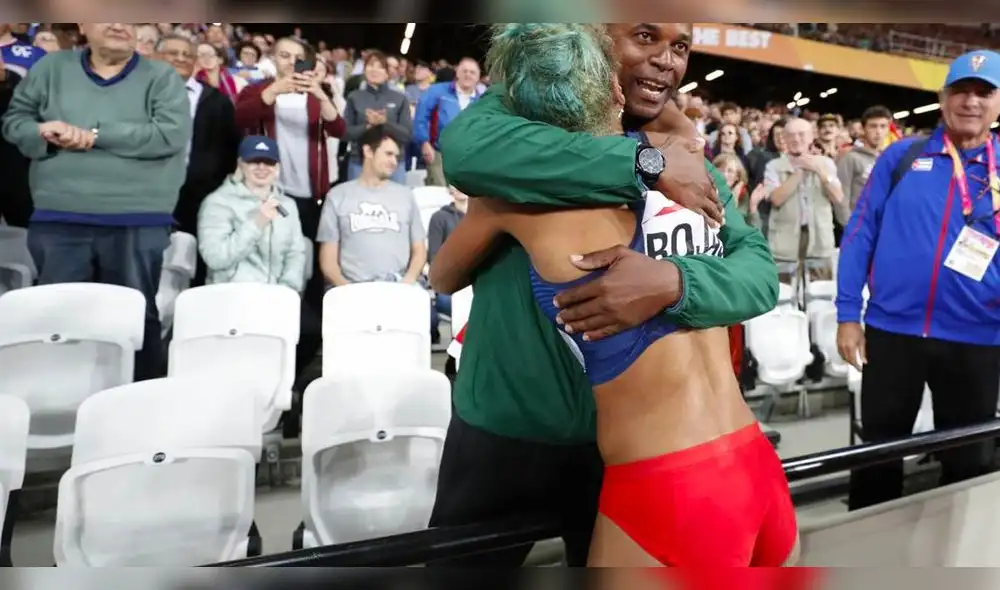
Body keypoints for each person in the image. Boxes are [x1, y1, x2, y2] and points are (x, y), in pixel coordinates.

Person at [431, 23, 792, 567]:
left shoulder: (691, 163)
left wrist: (675, 282)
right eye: (645, 37)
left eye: (679, 47)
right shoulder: (523, 116)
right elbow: (464, 151)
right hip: (508, 429)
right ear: (598, 36)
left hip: (625, 452)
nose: (666, 60)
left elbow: (759, 275)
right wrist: (644, 163)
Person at [837, 49, 1000, 511]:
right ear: (942, 97)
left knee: (969, 465)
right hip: (893, 334)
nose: (971, 101)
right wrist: (849, 314)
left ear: (998, 102)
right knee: (877, 459)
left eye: (984, 92)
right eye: (961, 90)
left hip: (976, 340)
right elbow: (860, 233)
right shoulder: (901, 157)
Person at [1, 22, 190, 380]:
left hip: (137, 219)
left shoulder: (161, 76)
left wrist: (95, 135)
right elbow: (15, 121)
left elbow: (170, 134)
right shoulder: (51, 68)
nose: (119, 24)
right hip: (59, 217)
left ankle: (137, 415)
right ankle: (56, 418)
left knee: (135, 322)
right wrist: (41, 131)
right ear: (84, 24)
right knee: (57, 323)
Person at [342, 50, 411, 184]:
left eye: (380, 67)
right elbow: (345, 133)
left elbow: (407, 135)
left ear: (387, 73)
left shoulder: (400, 98)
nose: (374, 70)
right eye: (370, 65)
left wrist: (385, 123)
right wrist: (367, 126)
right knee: (358, 202)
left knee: (395, 203)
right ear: (364, 70)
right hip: (360, 161)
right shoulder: (354, 97)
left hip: (393, 162)